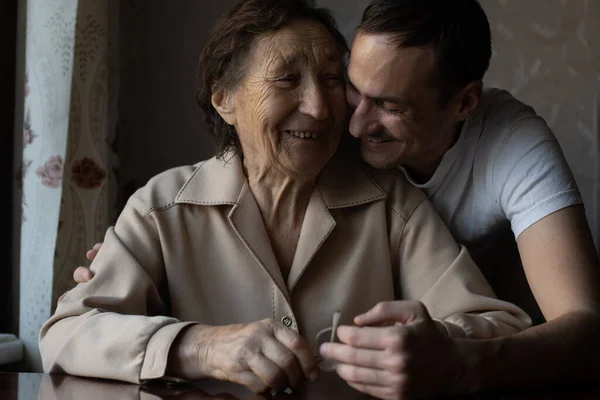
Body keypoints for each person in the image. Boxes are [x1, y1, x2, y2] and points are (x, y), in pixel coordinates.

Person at [68, 0, 600, 397]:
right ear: (224, 99)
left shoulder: (391, 201)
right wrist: (199, 344)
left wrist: (436, 341)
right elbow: (71, 330)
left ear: (464, 103)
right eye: (286, 79)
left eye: (329, 79)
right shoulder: (162, 207)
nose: (323, 109)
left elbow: (501, 324)